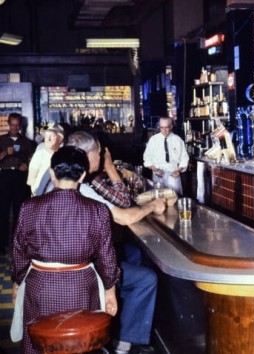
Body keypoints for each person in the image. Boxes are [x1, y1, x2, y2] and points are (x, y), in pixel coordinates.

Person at [10, 146, 121, 354]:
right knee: (79, 341)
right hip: (82, 286)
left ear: (52, 173)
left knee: (40, 341)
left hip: (39, 285)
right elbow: (107, 258)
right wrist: (110, 291)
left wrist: (17, 284)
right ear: (82, 176)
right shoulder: (98, 210)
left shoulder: (29, 207)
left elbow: (19, 253)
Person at [65, 131, 163, 354]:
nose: (102, 157)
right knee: (147, 278)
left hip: (63, 265)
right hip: (83, 269)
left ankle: (118, 325)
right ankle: (123, 342)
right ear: (90, 155)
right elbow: (123, 215)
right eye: (100, 153)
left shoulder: (66, 183)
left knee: (132, 255)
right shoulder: (83, 189)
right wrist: (152, 206)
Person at [0, 113, 35, 256]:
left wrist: (26, 165)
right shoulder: (1, 140)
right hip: (4, 176)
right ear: (8, 124)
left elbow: (32, 159)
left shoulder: (27, 142)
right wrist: (4, 153)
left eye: (17, 124)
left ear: (20, 125)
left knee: (19, 212)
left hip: (20, 178)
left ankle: (18, 245)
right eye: (12, 124)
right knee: (2, 211)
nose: (15, 127)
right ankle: (1, 244)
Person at [143, 117, 189, 194]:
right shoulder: (153, 140)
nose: (164, 130)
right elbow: (147, 158)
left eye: (167, 127)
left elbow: (184, 158)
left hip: (173, 175)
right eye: (162, 127)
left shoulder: (178, 140)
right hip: (158, 175)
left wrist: (179, 171)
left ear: (171, 126)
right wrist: (154, 169)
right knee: (159, 199)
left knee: (174, 198)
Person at [26, 123, 64, 196]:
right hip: (41, 197)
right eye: (46, 136)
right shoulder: (39, 155)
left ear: (60, 139)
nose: (48, 139)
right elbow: (30, 181)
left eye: (52, 136)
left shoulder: (64, 155)